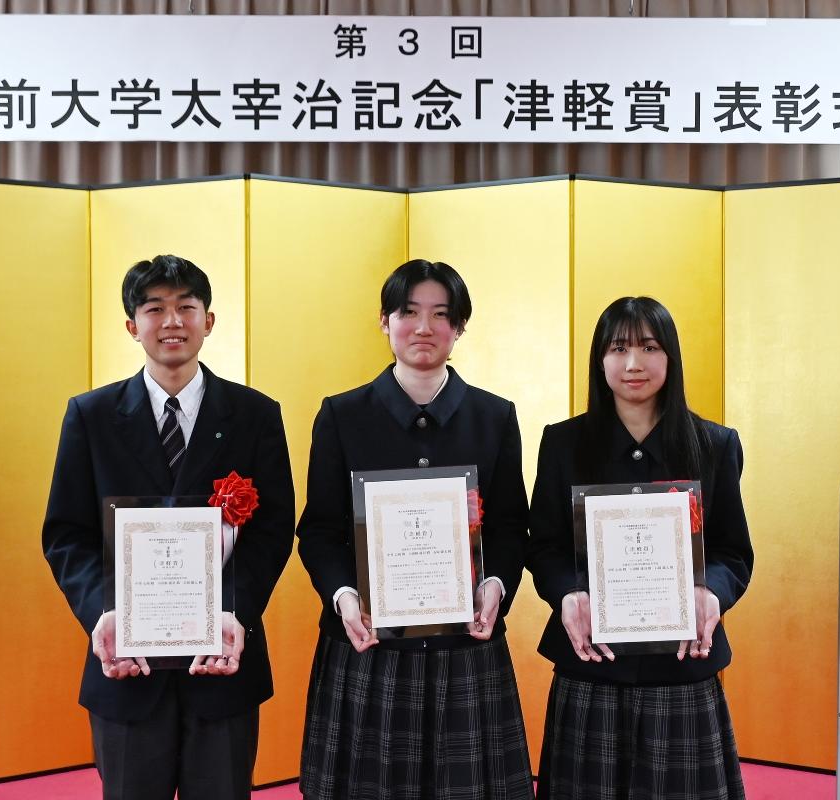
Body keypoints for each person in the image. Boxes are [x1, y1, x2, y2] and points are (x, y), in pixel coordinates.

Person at [42, 254, 295, 800]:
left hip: (223, 662)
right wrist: (104, 613)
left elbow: (273, 529)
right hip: (127, 667)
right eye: (154, 308)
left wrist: (235, 611)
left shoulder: (255, 414)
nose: (172, 321)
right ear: (132, 326)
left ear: (209, 320)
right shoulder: (91, 415)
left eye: (186, 307)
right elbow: (66, 534)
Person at [297, 259, 534, 800]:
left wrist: (495, 585)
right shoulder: (341, 415)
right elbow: (319, 530)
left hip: (464, 647)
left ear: (460, 327)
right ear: (385, 321)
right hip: (369, 646)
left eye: (441, 315)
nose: (424, 328)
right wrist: (344, 596)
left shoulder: (494, 417)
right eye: (408, 312)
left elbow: (508, 525)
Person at [527, 296, 753, 800]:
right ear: (600, 359)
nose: (633, 363)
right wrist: (567, 594)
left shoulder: (714, 444)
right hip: (592, 662)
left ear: (670, 357)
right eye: (619, 348)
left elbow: (733, 552)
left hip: (682, 665)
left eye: (649, 348)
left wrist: (712, 593)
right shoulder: (563, 443)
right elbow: (544, 547)